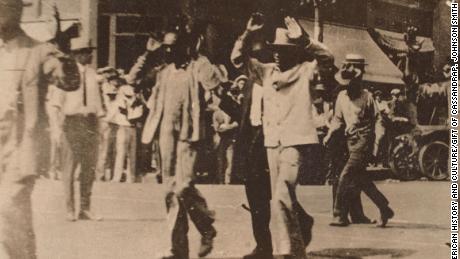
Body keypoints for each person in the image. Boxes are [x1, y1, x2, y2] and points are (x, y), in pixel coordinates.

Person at [232, 14, 334, 258]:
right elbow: (237, 59)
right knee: (280, 203)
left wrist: (305, 40)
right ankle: (293, 250)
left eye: (284, 49)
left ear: (294, 51)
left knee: (281, 196)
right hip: (271, 142)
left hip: (294, 142)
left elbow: (328, 59)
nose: (277, 54)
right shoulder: (265, 72)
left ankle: (289, 252)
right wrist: (247, 34)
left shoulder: (306, 70)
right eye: (275, 49)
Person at [129, 25, 227, 259]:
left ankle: (207, 227)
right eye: (166, 47)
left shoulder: (197, 67)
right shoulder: (163, 71)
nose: (169, 51)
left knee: (183, 186)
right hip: (165, 134)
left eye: (174, 47)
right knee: (170, 193)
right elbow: (132, 79)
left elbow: (215, 83)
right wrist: (147, 54)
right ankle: (178, 250)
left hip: (188, 134)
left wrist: (199, 53)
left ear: (185, 46)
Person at [0, 0, 78, 256]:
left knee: (9, 206)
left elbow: (69, 82)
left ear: (19, 9)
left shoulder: (39, 51)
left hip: (20, 147)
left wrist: (62, 49)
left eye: (5, 6)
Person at [324, 54, 394, 228]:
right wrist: (329, 134)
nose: (348, 87)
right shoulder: (341, 96)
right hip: (350, 141)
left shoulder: (367, 97)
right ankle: (384, 208)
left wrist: (377, 143)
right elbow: (338, 120)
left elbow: (378, 120)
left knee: (346, 175)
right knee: (361, 180)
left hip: (364, 140)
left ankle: (339, 215)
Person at [49, 38, 105, 222]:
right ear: (76, 54)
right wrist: (57, 129)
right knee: (69, 168)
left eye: (90, 51)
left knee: (89, 168)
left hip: (90, 124)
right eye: (86, 52)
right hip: (72, 123)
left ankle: (85, 208)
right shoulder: (65, 74)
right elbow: (55, 105)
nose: (90, 55)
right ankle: (69, 209)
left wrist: (100, 123)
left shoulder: (92, 74)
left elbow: (97, 103)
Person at [111, 81, 144, 183]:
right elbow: (122, 108)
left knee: (131, 154)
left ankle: (131, 177)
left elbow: (138, 112)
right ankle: (117, 177)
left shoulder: (138, 96)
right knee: (121, 153)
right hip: (123, 127)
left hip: (132, 127)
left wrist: (134, 104)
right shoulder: (123, 91)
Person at [96, 67, 121, 181]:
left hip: (113, 121)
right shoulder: (106, 87)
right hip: (107, 121)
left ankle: (107, 173)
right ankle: (101, 174)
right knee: (105, 149)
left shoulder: (115, 88)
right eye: (113, 78)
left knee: (111, 149)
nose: (116, 81)